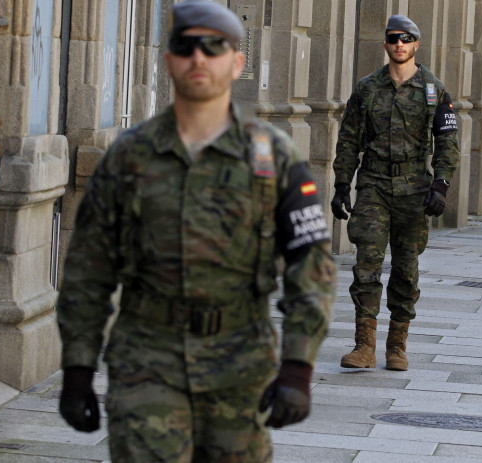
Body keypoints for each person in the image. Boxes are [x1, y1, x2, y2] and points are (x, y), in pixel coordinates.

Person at [55, 1, 335, 461]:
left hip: (240, 366)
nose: (199, 58)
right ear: (169, 61)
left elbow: (312, 265)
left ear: (237, 61)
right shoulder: (130, 157)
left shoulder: (273, 156)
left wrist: (298, 367)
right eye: (186, 47)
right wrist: (78, 368)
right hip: (147, 362)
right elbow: (88, 269)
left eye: (214, 46)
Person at [331, 14, 459, 371]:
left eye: (405, 39)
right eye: (393, 39)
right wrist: (342, 183)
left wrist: (441, 183)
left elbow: (448, 141)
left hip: (414, 189)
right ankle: (364, 345)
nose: (399, 45)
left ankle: (397, 346)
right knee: (366, 265)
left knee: (405, 269)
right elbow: (348, 139)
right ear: (386, 45)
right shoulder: (368, 88)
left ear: (416, 45)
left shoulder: (434, 90)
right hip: (373, 184)